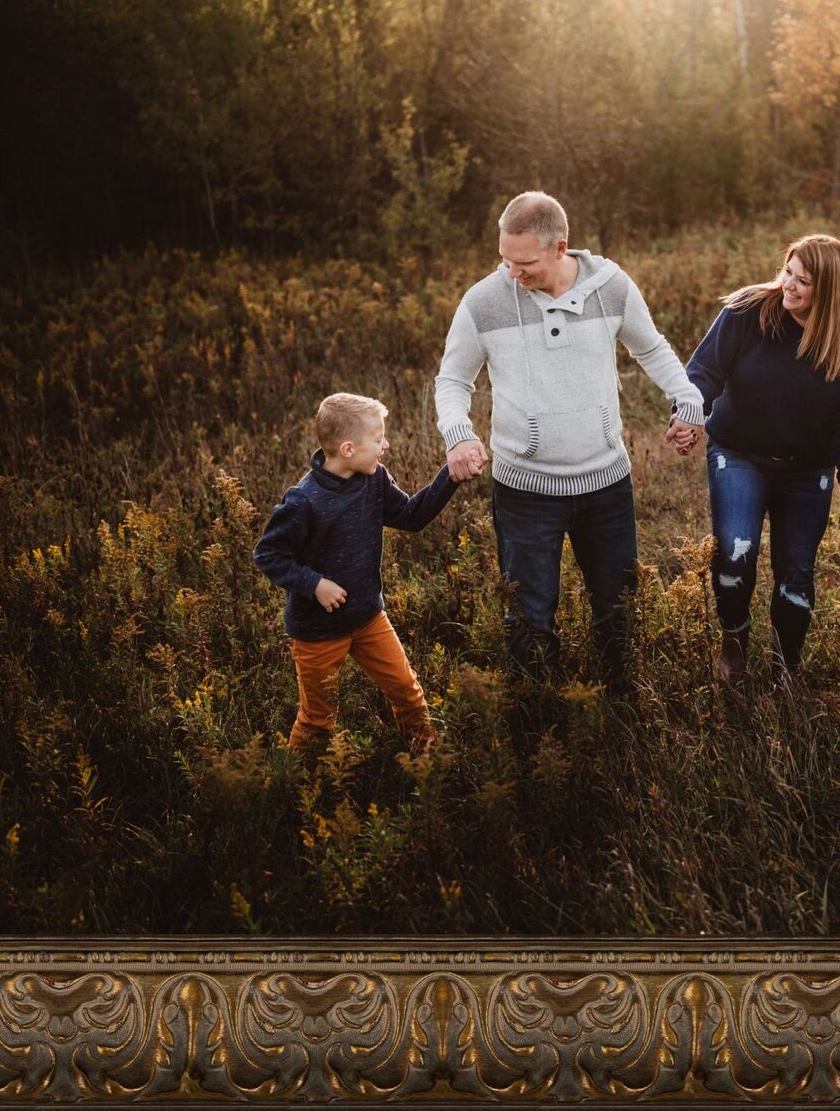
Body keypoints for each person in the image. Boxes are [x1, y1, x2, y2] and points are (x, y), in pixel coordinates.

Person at [435, 191, 705, 691]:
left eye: (525, 262)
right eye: (504, 260)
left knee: (618, 611)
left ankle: (622, 714)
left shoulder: (612, 286)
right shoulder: (484, 301)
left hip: (606, 485)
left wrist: (687, 399)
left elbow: (653, 349)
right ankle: (540, 722)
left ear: (561, 248)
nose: (512, 272)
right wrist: (458, 434)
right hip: (525, 491)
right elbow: (453, 379)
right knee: (529, 619)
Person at [684, 234, 840, 684]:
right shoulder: (748, 311)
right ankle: (734, 642)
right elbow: (704, 371)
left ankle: (786, 667)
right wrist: (689, 412)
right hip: (738, 452)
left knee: (796, 573)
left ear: (830, 292)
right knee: (737, 554)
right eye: (787, 272)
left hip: (806, 468)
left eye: (803, 281)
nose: (787, 285)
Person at [253, 392, 455, 753]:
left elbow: (411, 516)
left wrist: (449, 476)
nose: (386, 445)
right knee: (318, 720)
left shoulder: (373, 479)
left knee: (408, 693)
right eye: (378, 439)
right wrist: (314, 584)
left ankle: (428, 764)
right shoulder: (303, 500)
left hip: (368, 617)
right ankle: (294, 789)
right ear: (348, 449)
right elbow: (268, 554)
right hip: (317, 632)